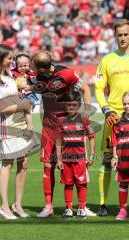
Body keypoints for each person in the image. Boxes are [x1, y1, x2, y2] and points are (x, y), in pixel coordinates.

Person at [30, 50, 94, 218]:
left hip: (68, 128)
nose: (33, 71)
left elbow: (86, 89)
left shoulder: (66, 74)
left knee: (75, 166)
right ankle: (49, 206)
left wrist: (86, 113)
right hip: (49, 127)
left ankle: (82, 206)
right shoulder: (36, 76)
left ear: (42, 70)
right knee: (47, 165)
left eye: (34, 68)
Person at [0, 44, 34, 220]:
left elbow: (24, 97)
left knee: (24, 163)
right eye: (9, 58)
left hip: (23, 121)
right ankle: (4, 207)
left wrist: (28, 120)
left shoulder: (10, 75)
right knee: (7, 163)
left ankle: (18, 205)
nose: (12, 61)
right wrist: (23, 104)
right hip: (8, 125)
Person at [95, 18, 129, 216]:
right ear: (115, 36)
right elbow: (99, 88)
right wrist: (106, 109)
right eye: (120, 35)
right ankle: (102, 204)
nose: (123, 38)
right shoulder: (107, 60)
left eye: (126, 34)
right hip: (114, 118)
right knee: (107, 159)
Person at [56, 91, 95, 218]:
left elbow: (91, 137)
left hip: (80, 159)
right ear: (65, 106)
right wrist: (58, 159)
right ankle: (68, 209)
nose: (71, 107)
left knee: (81, 184)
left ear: (78, 105)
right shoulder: (61, 121)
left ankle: (82, 208)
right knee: (68, 184)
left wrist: (92, 155)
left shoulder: (85, 120)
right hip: (66, 159)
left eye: (74, 105)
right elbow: (58, 141)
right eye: (68, 105)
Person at [111, 92, 129, 220]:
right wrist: (114, 157)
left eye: (128, 103)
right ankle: (122, 210)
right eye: (124, 104)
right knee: (123, 184)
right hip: (123, 159)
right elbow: (114, 141)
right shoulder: (118, 122)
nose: (126, 106)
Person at [12, 53, 38, 131]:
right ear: (16, 65)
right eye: (20, 66)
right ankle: (25, 126)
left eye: (25, 65)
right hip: (19, 96)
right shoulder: (14, 73)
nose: (23, 68)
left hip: (28, 95)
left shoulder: (31, 73)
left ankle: (30, 126)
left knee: (26, 111)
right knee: (22, 112)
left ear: (29, 64)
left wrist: (29, 76)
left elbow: (36, 82)